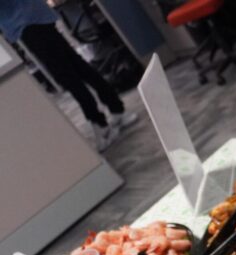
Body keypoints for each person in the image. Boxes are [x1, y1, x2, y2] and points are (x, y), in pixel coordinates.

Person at [0, 0, 137, 150]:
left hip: (26, 23)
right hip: (35, 17)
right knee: (78, 67)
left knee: (68, 76)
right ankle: (115, 109)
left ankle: (100, 123)